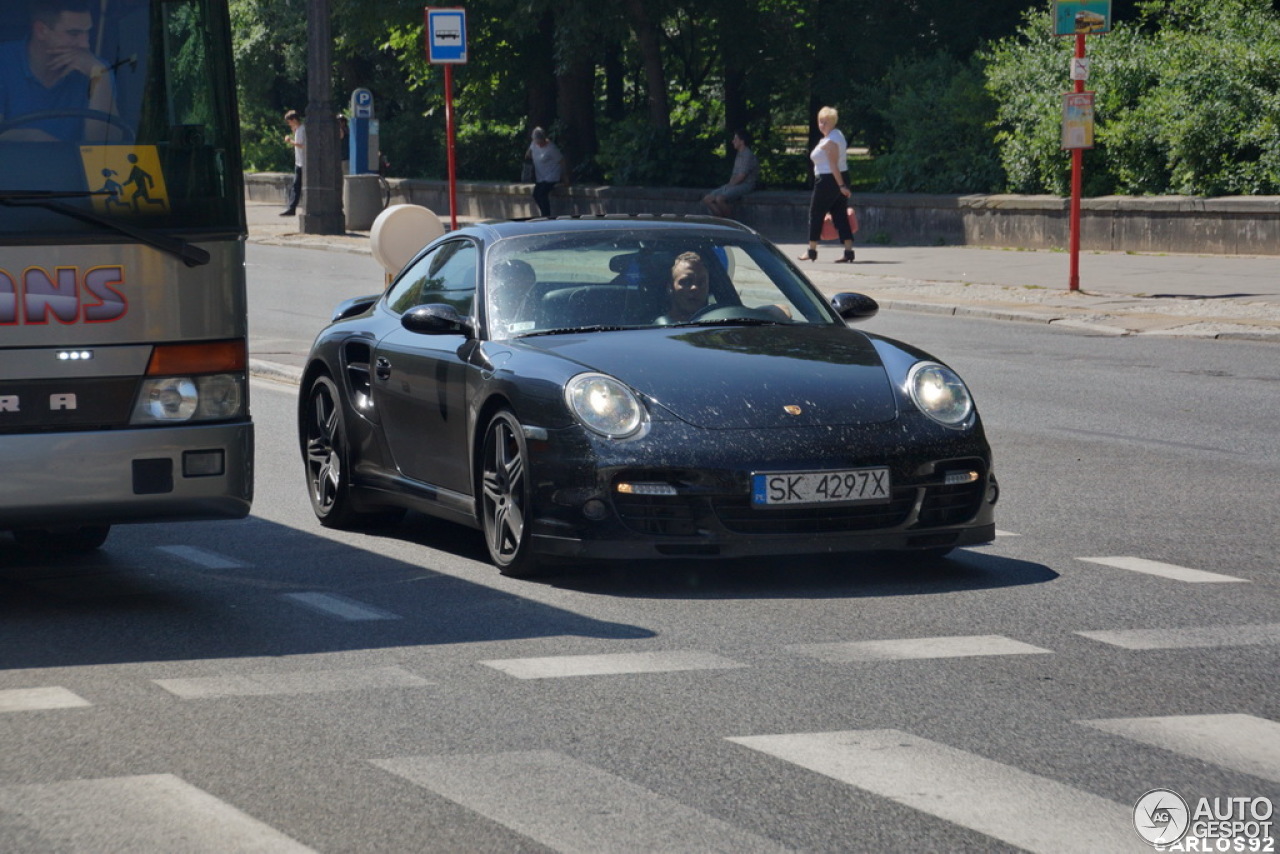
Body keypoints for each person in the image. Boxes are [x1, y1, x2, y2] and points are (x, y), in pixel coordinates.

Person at [0, 0, 120, 142]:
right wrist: (32, 138)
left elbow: (106, 148)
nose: (85, 44)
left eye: (88, 33)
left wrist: (100, 78)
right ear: (41, 31)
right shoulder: (4, 62)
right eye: (74, 34)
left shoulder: (96, 68)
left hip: (74, 164)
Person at [798, 106, 855, 264]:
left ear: (833, 122)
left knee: (816, 213)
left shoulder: (831, 140)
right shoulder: (836, 136)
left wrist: (841, 186)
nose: (822, 125)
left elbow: (833, 164)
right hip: (837, 178)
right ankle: (848, 251)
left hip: (828, 180)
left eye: (825, 122)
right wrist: (842, 184)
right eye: (820, 122)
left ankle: (812, 250)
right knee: (840, 214)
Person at [701, 130, 758, 218]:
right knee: (707, 199)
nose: (732, 141)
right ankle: (720, 219)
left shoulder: (748, 155)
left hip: (745, 185)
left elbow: (741, 176)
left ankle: (731, 221)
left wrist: (728, 186)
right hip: (733, 184)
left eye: (735, 139)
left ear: (742, 141)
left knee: (720, 199)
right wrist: (728, 185)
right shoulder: (739, 154)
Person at [656, 251, 710, 325]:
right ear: (670, 288)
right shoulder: (656, 331)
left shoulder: (720, 325)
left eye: (701, 282)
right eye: (686, 282)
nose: (695, 288)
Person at [524, 126, 566, 218]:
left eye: (540, 143)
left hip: (552, 176)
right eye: (537, 142)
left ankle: (546, 215)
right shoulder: (534, 144)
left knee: (542, 194)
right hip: (541, 177)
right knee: (536, 194)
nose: (539, 145)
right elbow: (528, 153)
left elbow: (562, 161)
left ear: (544, 139)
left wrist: (566, 178)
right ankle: (544, 213)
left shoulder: (551, 148)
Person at [281, 109, 305, 216]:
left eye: (289, 121)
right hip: (299, 162)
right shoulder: (299, 130)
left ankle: (291, 208)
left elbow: (302, 145)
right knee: (296, 185)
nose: (288, 123)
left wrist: (289, 141)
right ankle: (291, 208)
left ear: (294, 119)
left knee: (296, 185)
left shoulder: (302, 130)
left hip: (303, 163)